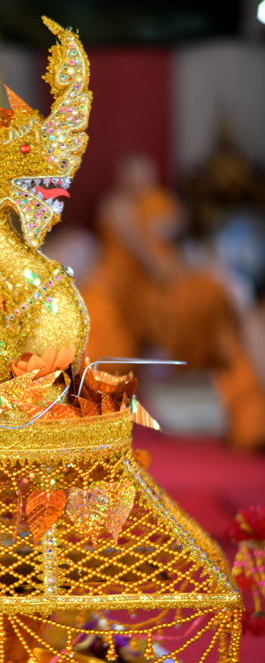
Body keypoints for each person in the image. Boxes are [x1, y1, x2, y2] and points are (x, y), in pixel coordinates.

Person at [81, 153, 265, 449]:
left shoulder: (161, 205)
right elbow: (145, 250)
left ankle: (253, 423)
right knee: (100, 329)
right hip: (123, 299)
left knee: (218, 304)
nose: (141, 183)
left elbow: (176, 234)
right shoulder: (117, 207)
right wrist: (156, 247)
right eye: (134, 175)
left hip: (164, 297)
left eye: (146, 176)